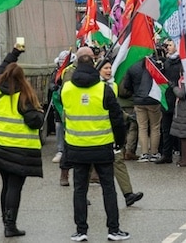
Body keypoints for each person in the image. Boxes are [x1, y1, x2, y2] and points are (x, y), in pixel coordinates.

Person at [61, 49, 130, 241]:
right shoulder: (103, 89)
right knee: (108, 188)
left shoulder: (66, 89)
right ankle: (113, 229)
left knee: (79, 190)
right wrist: (120, 141)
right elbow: (117, 118)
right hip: (102, 146)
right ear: (94, 64)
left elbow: (65, 113)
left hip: (76, 146)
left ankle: (81, 230)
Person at [0, 45, 44, 237]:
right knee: (15, 187)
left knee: (6, 185)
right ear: (22, 78)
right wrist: (40, 113)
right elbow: (34, 122)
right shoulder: (24, 96)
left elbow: (1, 67)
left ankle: (5, 220)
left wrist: (14, 53)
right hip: (19, 150)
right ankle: (10, 225)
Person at [98, 59, 144, 207]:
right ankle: (81, 195)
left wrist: (126, 117)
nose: (109, 71)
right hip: (94, 133)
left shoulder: (113, 85)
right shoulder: (94, 88)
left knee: (118, 161)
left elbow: (114, 108)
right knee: (89, 165)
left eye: (110, 68)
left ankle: (128, 194)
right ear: (98, 70)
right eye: (105, 68)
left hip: (110, 131)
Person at [124, 56, 163, 162]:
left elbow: (126, 85)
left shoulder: (132, 66)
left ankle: (144, 154)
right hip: (154, 100)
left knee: (142, 127)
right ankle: (154, 153)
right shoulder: (156, 65)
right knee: (155, 127)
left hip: (138, 100)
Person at [156, 39, 182, 164]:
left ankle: (183, 155)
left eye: (170, 45)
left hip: (178, 99)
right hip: (166, 99)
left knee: (180, 129)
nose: (168, 47)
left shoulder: (181, 63)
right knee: (165, 129)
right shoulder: (166, 62)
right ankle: (167, 154)